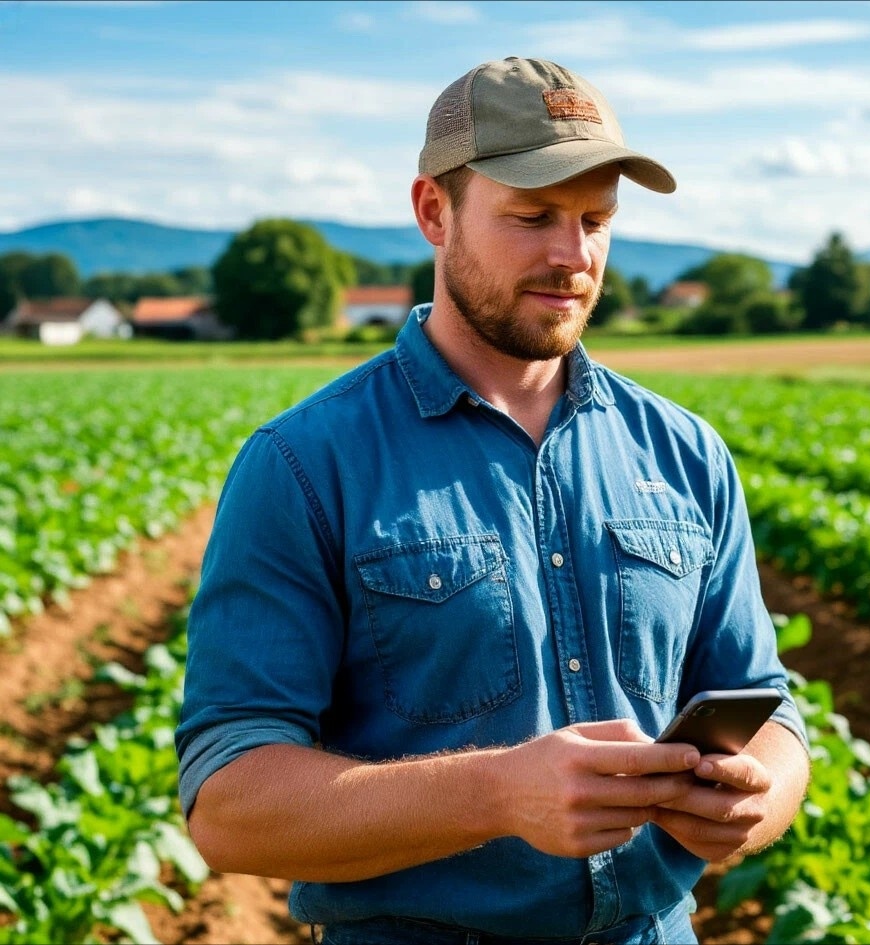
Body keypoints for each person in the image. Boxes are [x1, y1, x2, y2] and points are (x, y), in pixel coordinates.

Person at [175, 56, 810, 945]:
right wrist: (497, 791)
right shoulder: (303, 463)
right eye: (531, 216)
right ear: (434, 212)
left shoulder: (685, 451)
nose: (572, 255)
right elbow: (229, 803)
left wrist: (759, 797)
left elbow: (766, 707)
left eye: (596, 220)